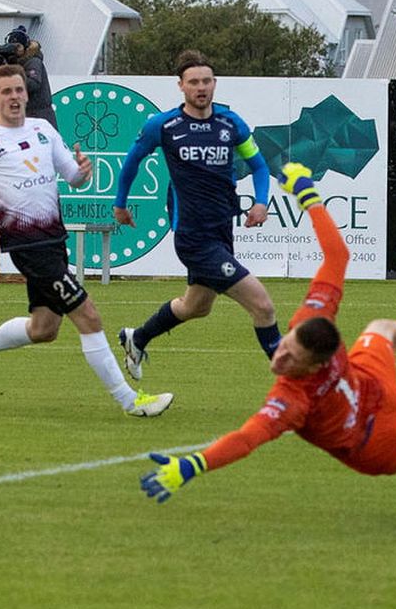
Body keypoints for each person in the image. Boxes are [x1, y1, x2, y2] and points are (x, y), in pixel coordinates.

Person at [139, 163, 396, 502]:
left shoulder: (292, 399)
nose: (279, 358)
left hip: (369, 442)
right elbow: (338, 254)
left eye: (291, 359)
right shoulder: (311, 321)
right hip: (370, 385)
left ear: (317, 362)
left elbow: (247, 438)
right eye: (284, 346)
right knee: (382, 329)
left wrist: (193, 465)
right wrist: (308, 195)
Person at [0, 63, 173, 418]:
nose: (15, 97)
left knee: (44, 328)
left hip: (53, 240)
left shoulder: (43, 129)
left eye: (19, 90)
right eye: (6, 92)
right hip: (26, 246)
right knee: (88, 315)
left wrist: (81, 172)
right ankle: (131, 401)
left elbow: (71, 176)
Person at [112, 50, 281, 376]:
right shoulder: (163, 126)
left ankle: (137, 338)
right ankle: (294, 381)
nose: (200, 87)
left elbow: (259, 166)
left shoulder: (230, 124)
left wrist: (261, 201)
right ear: (181, 86)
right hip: (194, 238)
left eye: (206, 81)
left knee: (196, 307)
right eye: (193, 82)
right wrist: (120, 204)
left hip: (221, 232)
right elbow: (132, 162)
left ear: (214, 83)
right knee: (263, 305)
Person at [7, 26, 55, 126]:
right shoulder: (17, 63)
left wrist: (13, 81)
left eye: (18, 46)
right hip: (30, 113)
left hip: (38, 114)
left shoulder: (33, 61)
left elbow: (33, 83)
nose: (15, 49)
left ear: (26, 47)